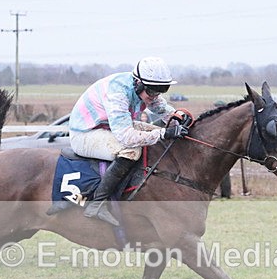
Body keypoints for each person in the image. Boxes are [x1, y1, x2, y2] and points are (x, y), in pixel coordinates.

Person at [69, 57, 188, 226]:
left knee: (156, 134)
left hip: (107, 126)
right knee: (132, 150)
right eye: (152, 91)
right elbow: (127, 137)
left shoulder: (142, 87)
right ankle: (97, 204)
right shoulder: (118, 93)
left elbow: (159, 107)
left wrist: (176, 116)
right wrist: (164, 133)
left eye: (161, 91)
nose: (155, 96)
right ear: (138, 84)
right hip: (85, 134)